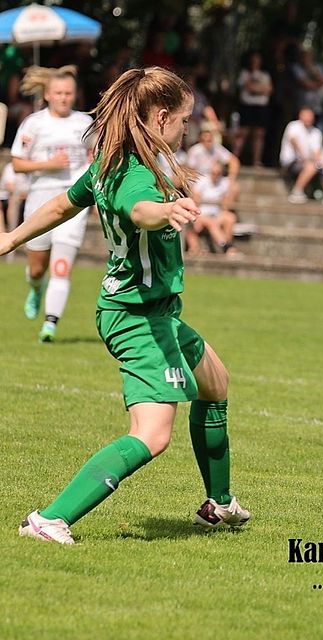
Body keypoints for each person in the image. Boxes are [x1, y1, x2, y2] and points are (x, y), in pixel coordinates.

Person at [1, 66, 250, 545]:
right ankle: (49, 519)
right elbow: (141, 209)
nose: (186, 130)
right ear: (160, 118)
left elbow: (61, 205)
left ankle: (218, 506)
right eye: (182, 121)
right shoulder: (134, 174)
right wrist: (166, 211)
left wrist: (13, 236)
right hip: (136, 317)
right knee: (153, 434)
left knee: (215, 383)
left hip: (152, 311)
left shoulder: (111, 164)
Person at [11, 66, 93, 343]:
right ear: (47, 94)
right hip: (40, 199)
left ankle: (50, 324)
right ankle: (35, 287)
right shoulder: (34, 123)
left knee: (61, 265)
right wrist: (49, 164)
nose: (63, 98)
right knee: (37, 267)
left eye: (68, 93)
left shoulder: (84, 123)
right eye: (58, 93)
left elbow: (95, 154)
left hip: (74, 201)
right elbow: (18, 163)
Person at [187, 161, 239, 257]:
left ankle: (227, 246)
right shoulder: (202, 181)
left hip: (216, 214)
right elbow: (195, 201)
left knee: (230, 218)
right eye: (213, 173)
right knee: (211, 222)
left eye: (218, 173)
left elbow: (226, 203)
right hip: (201, 214)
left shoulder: (224, 183)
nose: (215, 175)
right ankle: (226, 247)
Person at [233, 51, 272, 167]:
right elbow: (248, 87)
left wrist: (256, 88)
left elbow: (269, 89)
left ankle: (256, 161)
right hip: (247, 106)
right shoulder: (244, 73)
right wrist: (260, 88)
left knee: (259, 135)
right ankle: (234, 159)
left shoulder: (265, 75)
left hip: (261, 107)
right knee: (243, 133)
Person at [279, 107, 323, 204]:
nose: (309, 118)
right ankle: (297, 191)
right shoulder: (293, 126)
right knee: (311, 167)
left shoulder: (316, 132)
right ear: (300, 116)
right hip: (291, 160)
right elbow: (293, 141)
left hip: (307, 161)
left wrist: (320, 163)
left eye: (310, 116)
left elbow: (316, 151)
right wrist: (304, 158)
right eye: (306, 116)